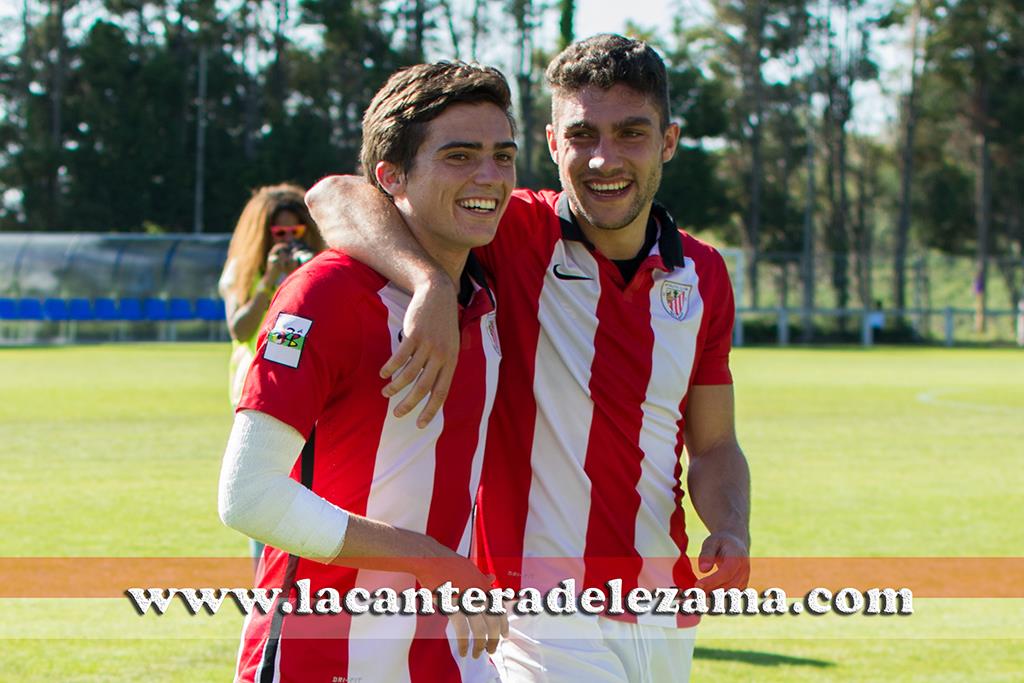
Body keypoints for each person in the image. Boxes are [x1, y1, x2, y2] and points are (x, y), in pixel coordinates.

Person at [306, 34, 751, 682]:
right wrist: (427, 282)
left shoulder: (703, 273)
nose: (605, 158)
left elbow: (714, 447)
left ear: (670, 140)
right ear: (550, 142)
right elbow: (333, 195)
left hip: (663, 605)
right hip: (536, 610)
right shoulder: (512, 230)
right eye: (583, 135)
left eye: (631, 133)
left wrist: (732, 527)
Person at [217, 61, 518, 683]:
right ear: (391, 177)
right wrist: (431, 560)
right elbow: (247, 496)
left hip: (449, 654)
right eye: (459, 156)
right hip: (322, 654)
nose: (488, 176)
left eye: (502, 156)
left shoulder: (490, 289)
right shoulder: (325, 294)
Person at [219, 183, 326, 408]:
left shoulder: (316, 270)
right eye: (279, 233)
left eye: (296, 232)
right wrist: (268, 281)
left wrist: (304, 279)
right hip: (256, 386)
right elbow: (240, 330)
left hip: (305, 384)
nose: (288, 240)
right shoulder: (242, 272)